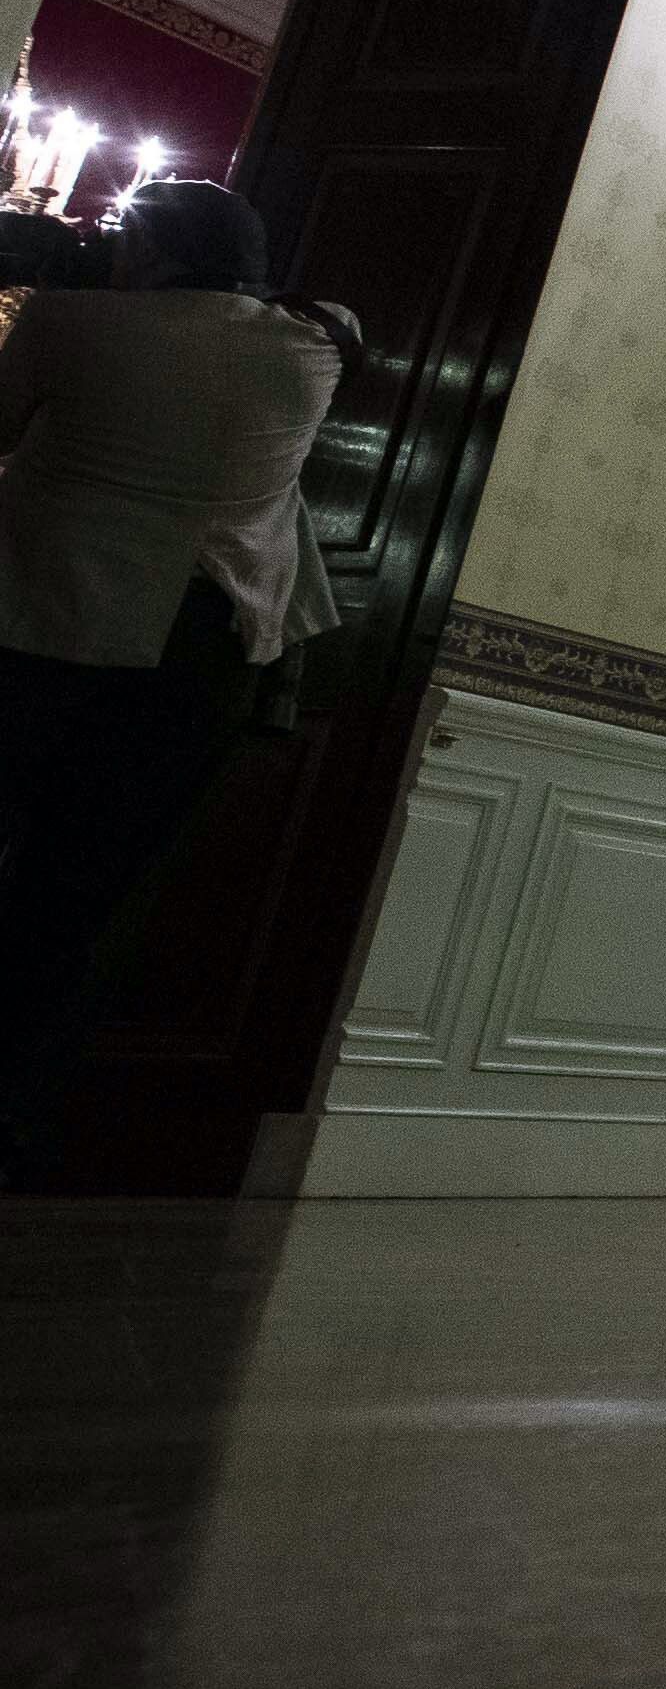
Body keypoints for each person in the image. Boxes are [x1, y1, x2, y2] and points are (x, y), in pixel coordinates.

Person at [0, 179, 349, 1183]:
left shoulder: (73, 323)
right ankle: (15, 1115)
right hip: (196, 650)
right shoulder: (314, 347)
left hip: (36, 619)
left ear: (149, 252)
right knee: (81, 896)